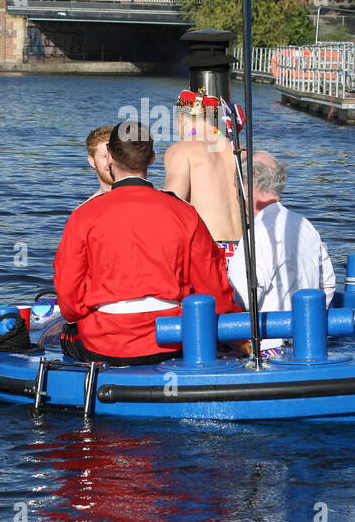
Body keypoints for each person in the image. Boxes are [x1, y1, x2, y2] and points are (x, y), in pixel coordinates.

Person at [53, 121, 238, 365]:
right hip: (172, 339)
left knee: (62, 333)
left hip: (107, 343)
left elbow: (69, 297)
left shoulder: (84, 216)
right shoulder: (185, 212)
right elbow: (211, 286)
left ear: (109, 158)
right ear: (151, 159)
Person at [228, 152, 336, 358]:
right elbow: (328, 285)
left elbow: (242, 298)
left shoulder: (256, 236)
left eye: (237, 188)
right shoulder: (305, 225)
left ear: (249, 187)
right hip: (307, 344)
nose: (236, 196)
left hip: (267, 349)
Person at [163, 89, 243, 263]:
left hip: (210, 251)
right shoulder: (241, 152)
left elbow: (170, 209)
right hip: (246, 251)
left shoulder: (182, 150)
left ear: (182, 118)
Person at [83, 125, 115, 202]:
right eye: (104, 156)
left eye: (115, 155)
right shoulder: (86, 209)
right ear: (92, 161)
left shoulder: (145, 198)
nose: (110, 161)